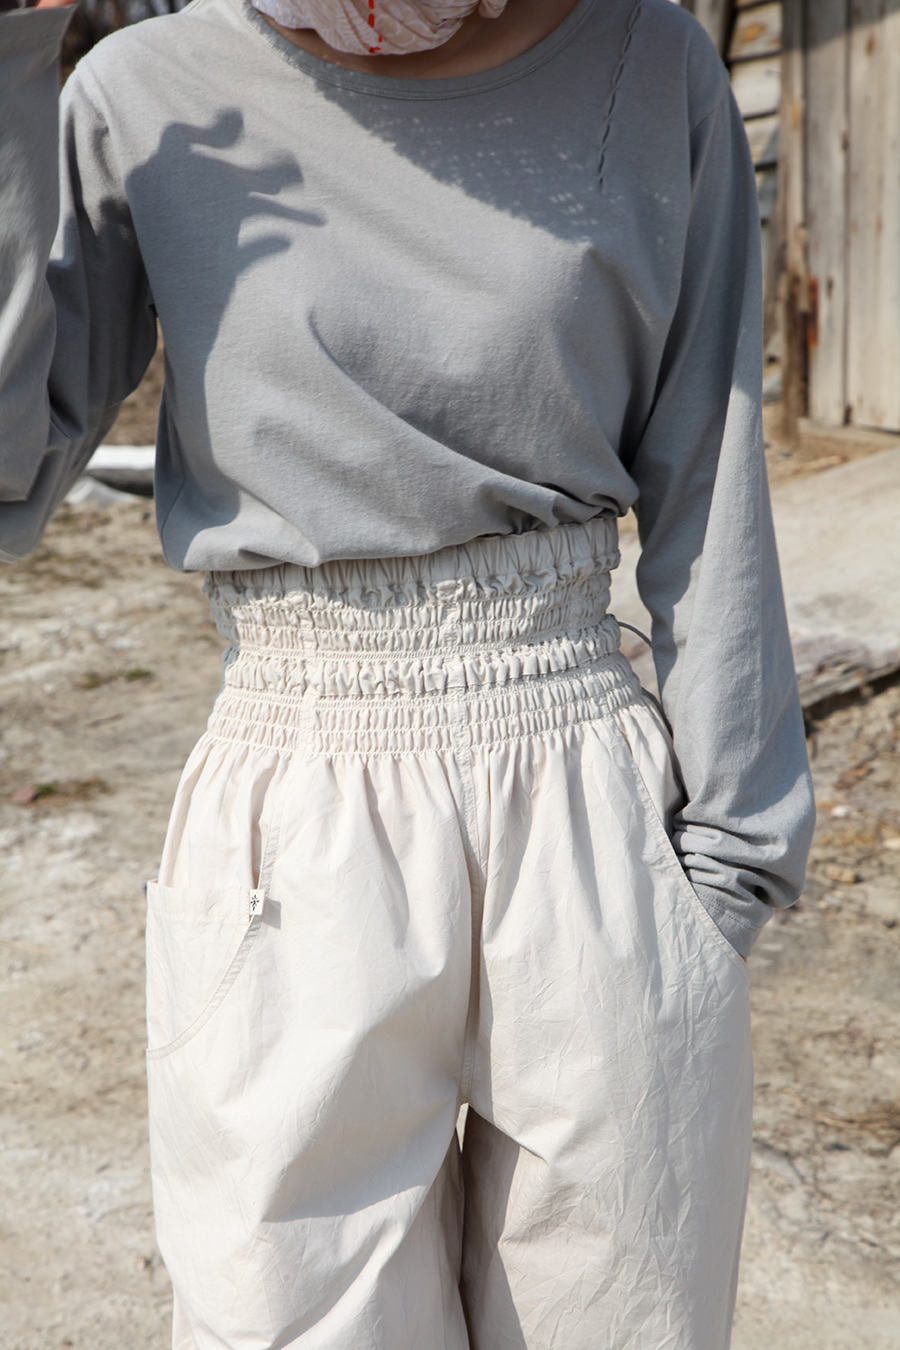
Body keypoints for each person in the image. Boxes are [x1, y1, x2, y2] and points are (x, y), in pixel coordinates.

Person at [0, 0, 815, 1345]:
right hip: (293, 795)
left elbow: (711, 467)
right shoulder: (145, 90)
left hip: (585, 793)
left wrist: (732, 859)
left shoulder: (648, 60)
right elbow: (12, 483)